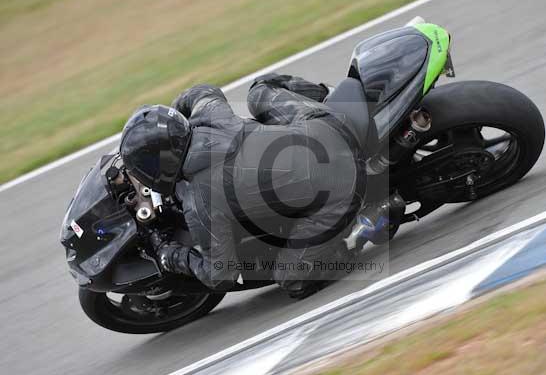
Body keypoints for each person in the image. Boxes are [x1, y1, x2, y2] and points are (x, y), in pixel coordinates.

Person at [119, 74, 363, 299]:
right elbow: (201, 91)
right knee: (259, 89)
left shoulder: (201, 201)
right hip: (325, 124)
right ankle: (325, 94)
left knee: (291, 279)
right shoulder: (211, 115)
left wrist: (172, 256)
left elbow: (221, 275)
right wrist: (173, 113)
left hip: (342, 188)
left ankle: (356, 236)